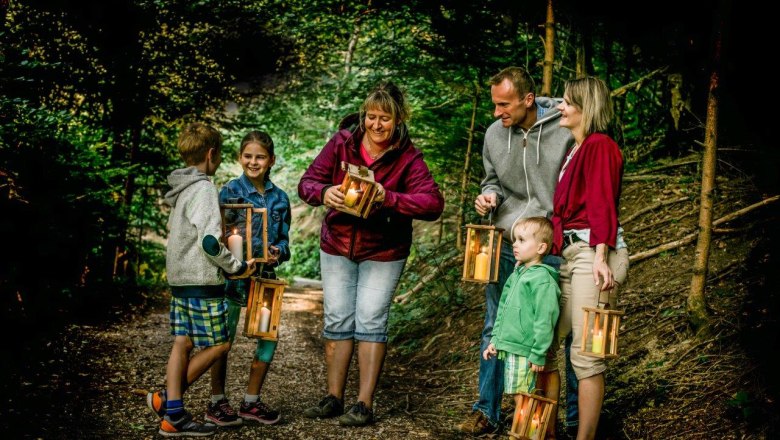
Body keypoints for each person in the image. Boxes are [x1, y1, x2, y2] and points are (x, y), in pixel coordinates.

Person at [298, 81, 444, 427]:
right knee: (337, 319)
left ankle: (363, 403)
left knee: (371, 320)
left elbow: (432, 203)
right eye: (371, 118)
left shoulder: (408, 157)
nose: (376, 125)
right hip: (337, 244)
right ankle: (333, 398)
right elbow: (307, 183)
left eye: (385, 119)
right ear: (363, 116)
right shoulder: (341, 144)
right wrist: (325, 193)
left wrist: (387, 196)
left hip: (384, 250)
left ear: (399, 120)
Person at [460, 66, 574, 435]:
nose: (497, 113)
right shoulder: (495, 134)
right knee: (496, 324)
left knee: (558, 332)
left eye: (504, 105)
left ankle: (567, 421)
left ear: (528, 100)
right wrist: (489, 196)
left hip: (551, 243)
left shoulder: (564, 126)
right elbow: (491, 178)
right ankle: (487, 411)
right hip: (508, 243)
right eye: (494, 105)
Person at [147, 122, 256, 437]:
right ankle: (168, 401)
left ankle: (173, 415)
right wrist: (236, 266)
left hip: (180, 279)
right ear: (212, 154)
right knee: (220, 344)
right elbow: (210, 243)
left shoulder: (181, 188)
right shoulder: (205, 188)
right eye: (220, 154)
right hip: (201, 281)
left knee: (182, 343)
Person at [544, 76, 630, 440]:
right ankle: (543, 431)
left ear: (586, 108)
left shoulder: (600, 145)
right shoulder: (574, 149)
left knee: (586, 357)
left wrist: (601, 256)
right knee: (543, 348)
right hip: (569, 256)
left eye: (566, 102)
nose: (560, 108)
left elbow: (601, 202)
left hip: (593, 256)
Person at [203, 130, 291, 426]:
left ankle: (251, 402)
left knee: (268, 338)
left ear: (271, 160)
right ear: (240, 157)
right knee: (222, 339)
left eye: (260, 157)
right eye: (248, 156)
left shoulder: (280, 199)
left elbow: (285, 241)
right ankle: (217, 401)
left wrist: (278, 250)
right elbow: (217, 235)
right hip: (232, 278)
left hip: (264, 277)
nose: (254, 162)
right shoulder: (228, 193)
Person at [482, 217, 561, 420]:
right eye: (515, 239)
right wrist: (496, 340)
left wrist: (538, 353)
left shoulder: (542, 280)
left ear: (541, 247)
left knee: (525, 400)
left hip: (525, 351)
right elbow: (504, 310)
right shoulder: (518, 274)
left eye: (522, 240)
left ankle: (527, 433)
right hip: (511, 348)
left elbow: (546, 319)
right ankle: (529, 432)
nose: (514, 244)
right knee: (520, 397)